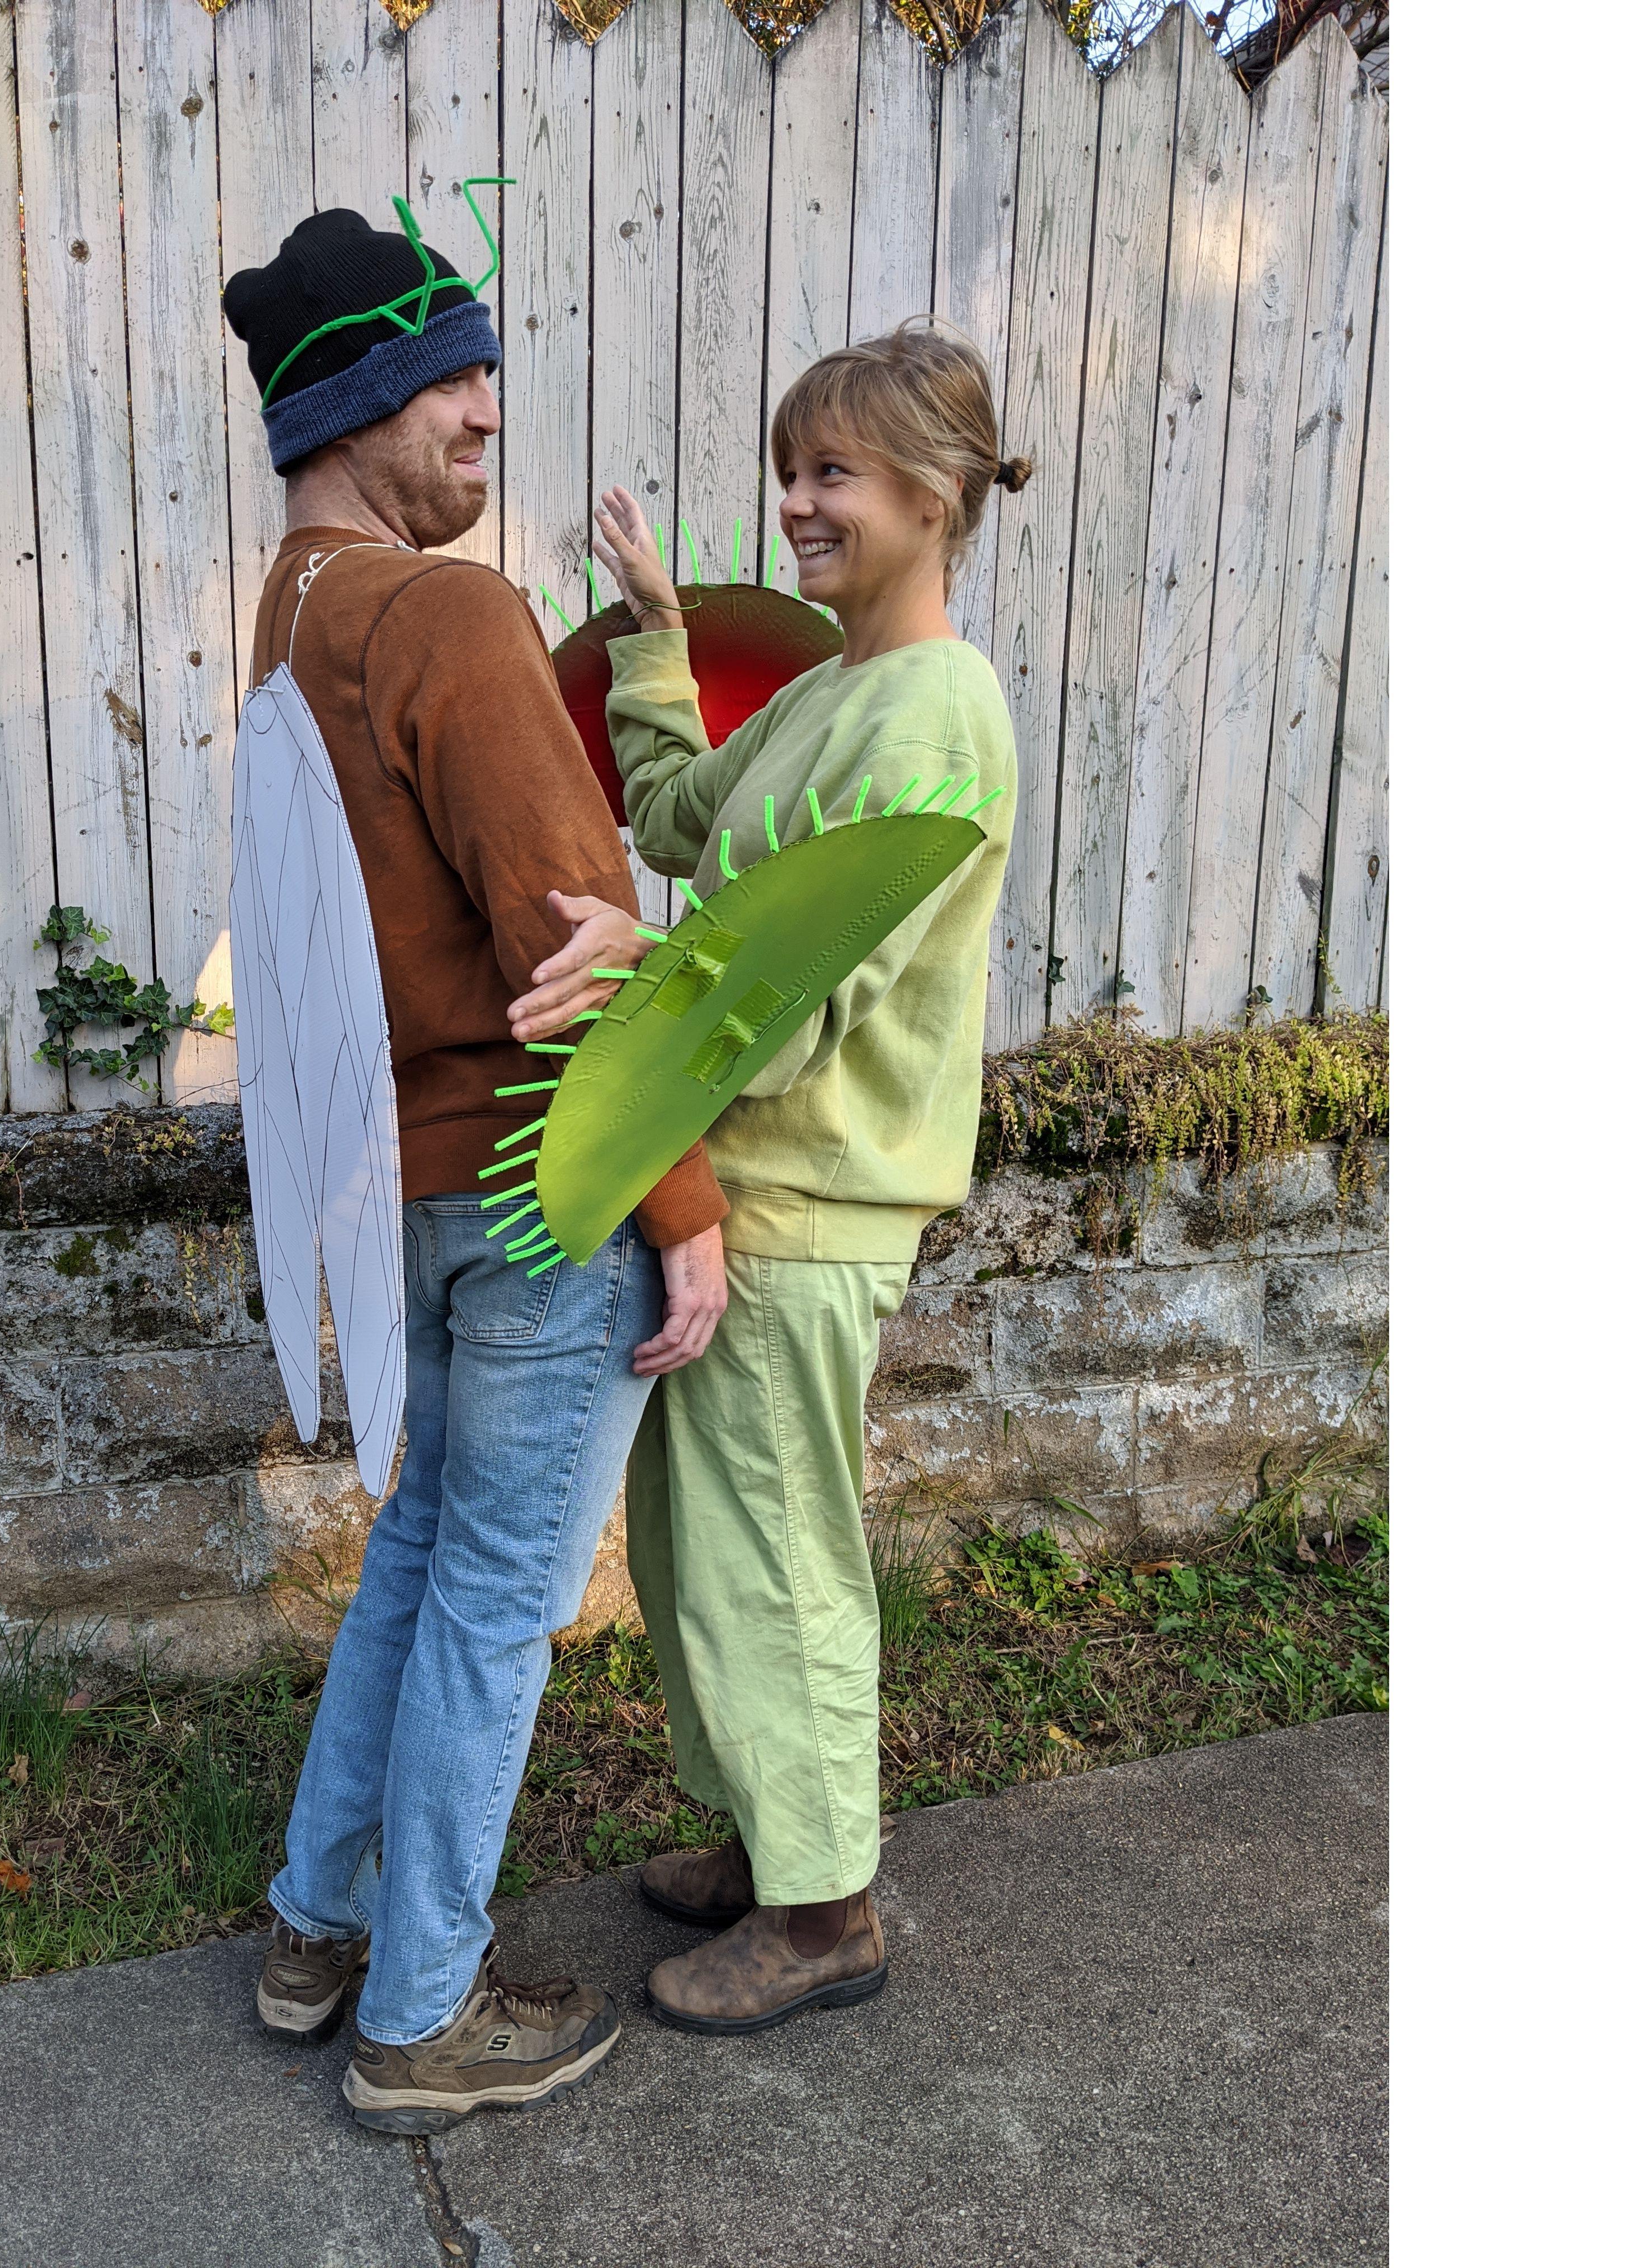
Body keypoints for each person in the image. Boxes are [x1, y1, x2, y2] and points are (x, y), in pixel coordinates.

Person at [223, 206, 731, 2131]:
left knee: (423, 1553)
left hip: (409, 1195)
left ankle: (319, 1929)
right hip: (543, 1189)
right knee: (499, 1596)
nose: (487, 414)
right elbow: (578, 937)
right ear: (353, 405)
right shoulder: (440, 614)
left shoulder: (288, 625)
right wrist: (685, 1209)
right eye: (451, 380)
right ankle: (422, 2016)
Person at [543, 319, 1026, 2035]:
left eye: (834, 473)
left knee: (775, 1547)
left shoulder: (937, 712)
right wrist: (659, 640)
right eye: (790, 470)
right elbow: (682, 825)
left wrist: (648, 975)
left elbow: (811, 984)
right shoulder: (831, 689)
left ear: (934, 494)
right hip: (745, 1179)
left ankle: (825, 1914)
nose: (799, 503)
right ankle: (771, 1833)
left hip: (813, 1195)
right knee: (700, 1545)